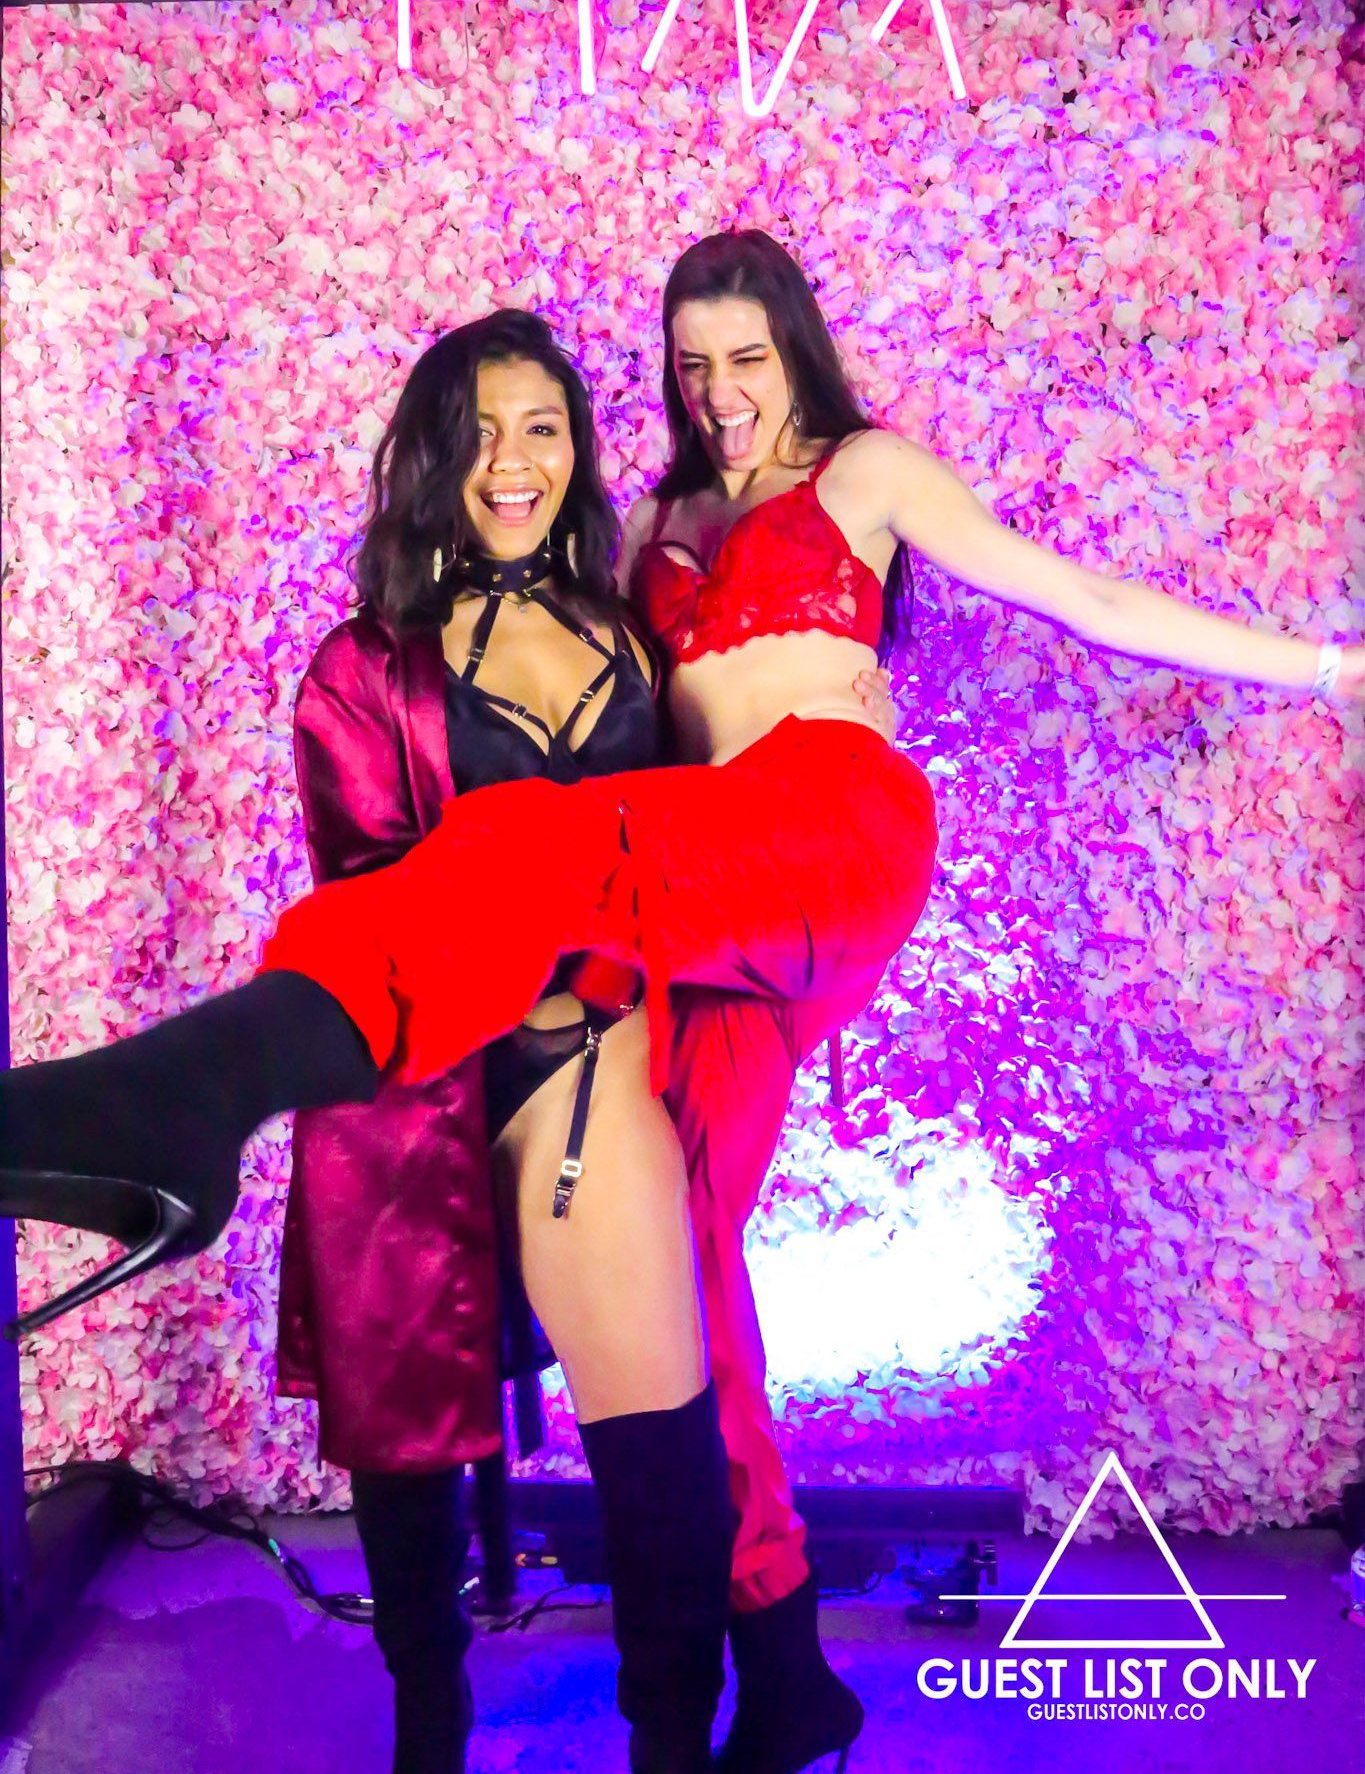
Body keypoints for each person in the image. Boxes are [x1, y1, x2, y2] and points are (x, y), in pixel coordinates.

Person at [2, 230, 1358, 1763]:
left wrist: (1331, 668)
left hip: (823, 835)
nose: (720, 391)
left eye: (748, 357)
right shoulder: (649, 529)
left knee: (524, 842)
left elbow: (1083, 596)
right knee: (692, 1284)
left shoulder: (864, 474)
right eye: (692, 362)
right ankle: (782, 1676)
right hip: (692, 915)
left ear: (798, 350)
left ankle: (188, 1090)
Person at [280, 305, 887, 1774]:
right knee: (410, 1442)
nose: (513, 461)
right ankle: (430, 1725)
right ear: (432, 457)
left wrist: (843, 724)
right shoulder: (363, 665)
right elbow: (373, 899)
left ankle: (669, 1742)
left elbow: (696, 825)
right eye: (480, 432)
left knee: (662, 1442)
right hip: (414, 1083)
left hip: (585, 1058)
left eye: (542, 428)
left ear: (576, 452)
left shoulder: (622, 626)